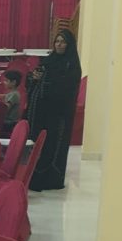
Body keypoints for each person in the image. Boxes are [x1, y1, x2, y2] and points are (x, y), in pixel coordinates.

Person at [26, 29, 82, 190]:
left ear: (69, 45)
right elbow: (33, 81)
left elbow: (67, 89)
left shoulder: (72, 65)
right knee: (39, 143)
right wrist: (34, 78)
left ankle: (50, 180)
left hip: (58, 114)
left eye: (63, 42)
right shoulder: (48, 61)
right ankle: (34, 178)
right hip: (41, 113)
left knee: (53, 145)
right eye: (57, 41)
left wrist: (48, 82)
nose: (59, 45)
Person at [0, 70, 23, 136]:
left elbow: (5, 108)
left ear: (13, 82)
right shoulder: (13, 93)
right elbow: (4, 96)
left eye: (6, 81)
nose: (4, 82)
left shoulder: (14, 94)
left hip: (9, 123)